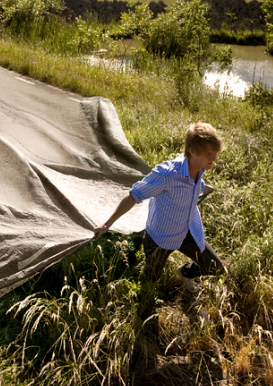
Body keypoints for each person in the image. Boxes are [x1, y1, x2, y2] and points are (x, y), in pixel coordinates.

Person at [94, 122, 226, 293]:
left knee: (215, 267)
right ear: (192, 151)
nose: (213, 158)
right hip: (160, 239)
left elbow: (192, 182)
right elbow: (134, 195)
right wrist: (107, 224)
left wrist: (203, 187)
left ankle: (185, 273)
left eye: (215, 153)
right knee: (150, 282)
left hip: (186, 232)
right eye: (209, 154)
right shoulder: (167, 174)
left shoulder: (199, 167)